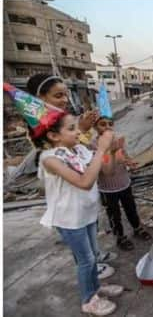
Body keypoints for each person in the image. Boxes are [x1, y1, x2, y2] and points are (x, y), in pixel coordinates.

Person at [5, 82, 125, 316]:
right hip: (69, 219)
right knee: (86, 261)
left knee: (93, 257)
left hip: (87, 213)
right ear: (52, 135)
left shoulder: (78, 150)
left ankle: (96, 288)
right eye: (72, 128)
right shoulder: (50, 158)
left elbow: (106, 173)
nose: (79, 131)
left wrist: (110, 151)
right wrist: (101, 150)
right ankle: (88, 300)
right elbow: (84, 182)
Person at [93, 114, 151, 251]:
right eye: (103, 124)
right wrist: (111, 153)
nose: (107, 127)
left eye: (110, 124)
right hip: (107, 188)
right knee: (114, 215)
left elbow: (124, 155)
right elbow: (102, 168)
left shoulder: (118, 140)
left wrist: (130, 162)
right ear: (95, 127)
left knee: (131, 208)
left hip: (124, 183)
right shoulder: (94, 145)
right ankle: (120, 237)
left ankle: (137, 228)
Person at [26, 73, 98, 147]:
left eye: (66, 95)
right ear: (40, 98)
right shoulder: (38, 126)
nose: (65, 100)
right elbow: (64, 153)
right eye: (58, 96)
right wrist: (82, 129)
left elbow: (84, 147)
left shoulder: (64, 117)